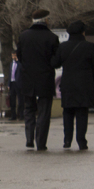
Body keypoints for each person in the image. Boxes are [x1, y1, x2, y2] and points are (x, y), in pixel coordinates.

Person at [51, 20, 94, 150]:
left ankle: (67, 140)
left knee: (67, 112)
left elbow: (55, 63)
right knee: (82, 113)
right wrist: (93, 79)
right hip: (84, 84)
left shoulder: (63, 47)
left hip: (68, 84)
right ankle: (81, 141)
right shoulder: (89, 46)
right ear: (83, 32)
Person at [16, 9, 59, 151]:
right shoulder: (52, 37)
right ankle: (41, 142)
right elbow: (56, 61)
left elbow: (19, 57)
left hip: (27, 79)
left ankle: (29, 138)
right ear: (45, 20)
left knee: (29, 109)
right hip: (45, 80)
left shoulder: (23, 37)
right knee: (44, 112)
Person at [8, 52, 24, 120]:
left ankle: (21, 115)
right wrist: (9, 84)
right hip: (12, 83)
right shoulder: (11, 64)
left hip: (18, 83)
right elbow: (9, 74)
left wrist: (18, 60)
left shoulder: (19, 64)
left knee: (20, 100)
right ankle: (13, 115)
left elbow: (22, 71)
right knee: (12, 100)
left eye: (14, 55)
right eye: (12, 55)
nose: (13, 57)